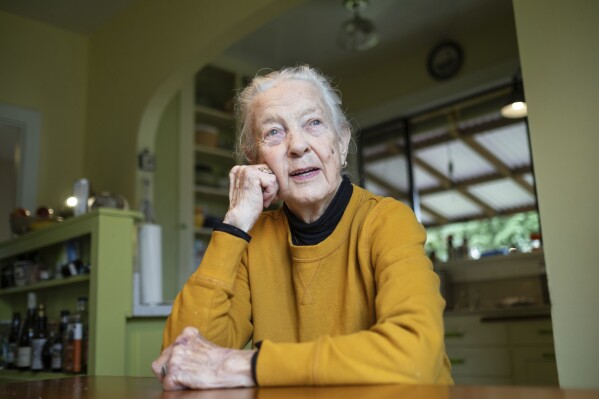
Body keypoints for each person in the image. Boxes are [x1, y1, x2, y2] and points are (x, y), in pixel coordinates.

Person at [152, 65, 453, 390]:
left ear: (340, 142)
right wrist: (235, 223)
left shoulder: (387, 221)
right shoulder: (251, 240)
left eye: (313, 123)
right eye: (274, 133)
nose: (297, 146)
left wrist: (249, 366)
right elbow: (181, 357)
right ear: (256, 161)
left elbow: (415, 355)